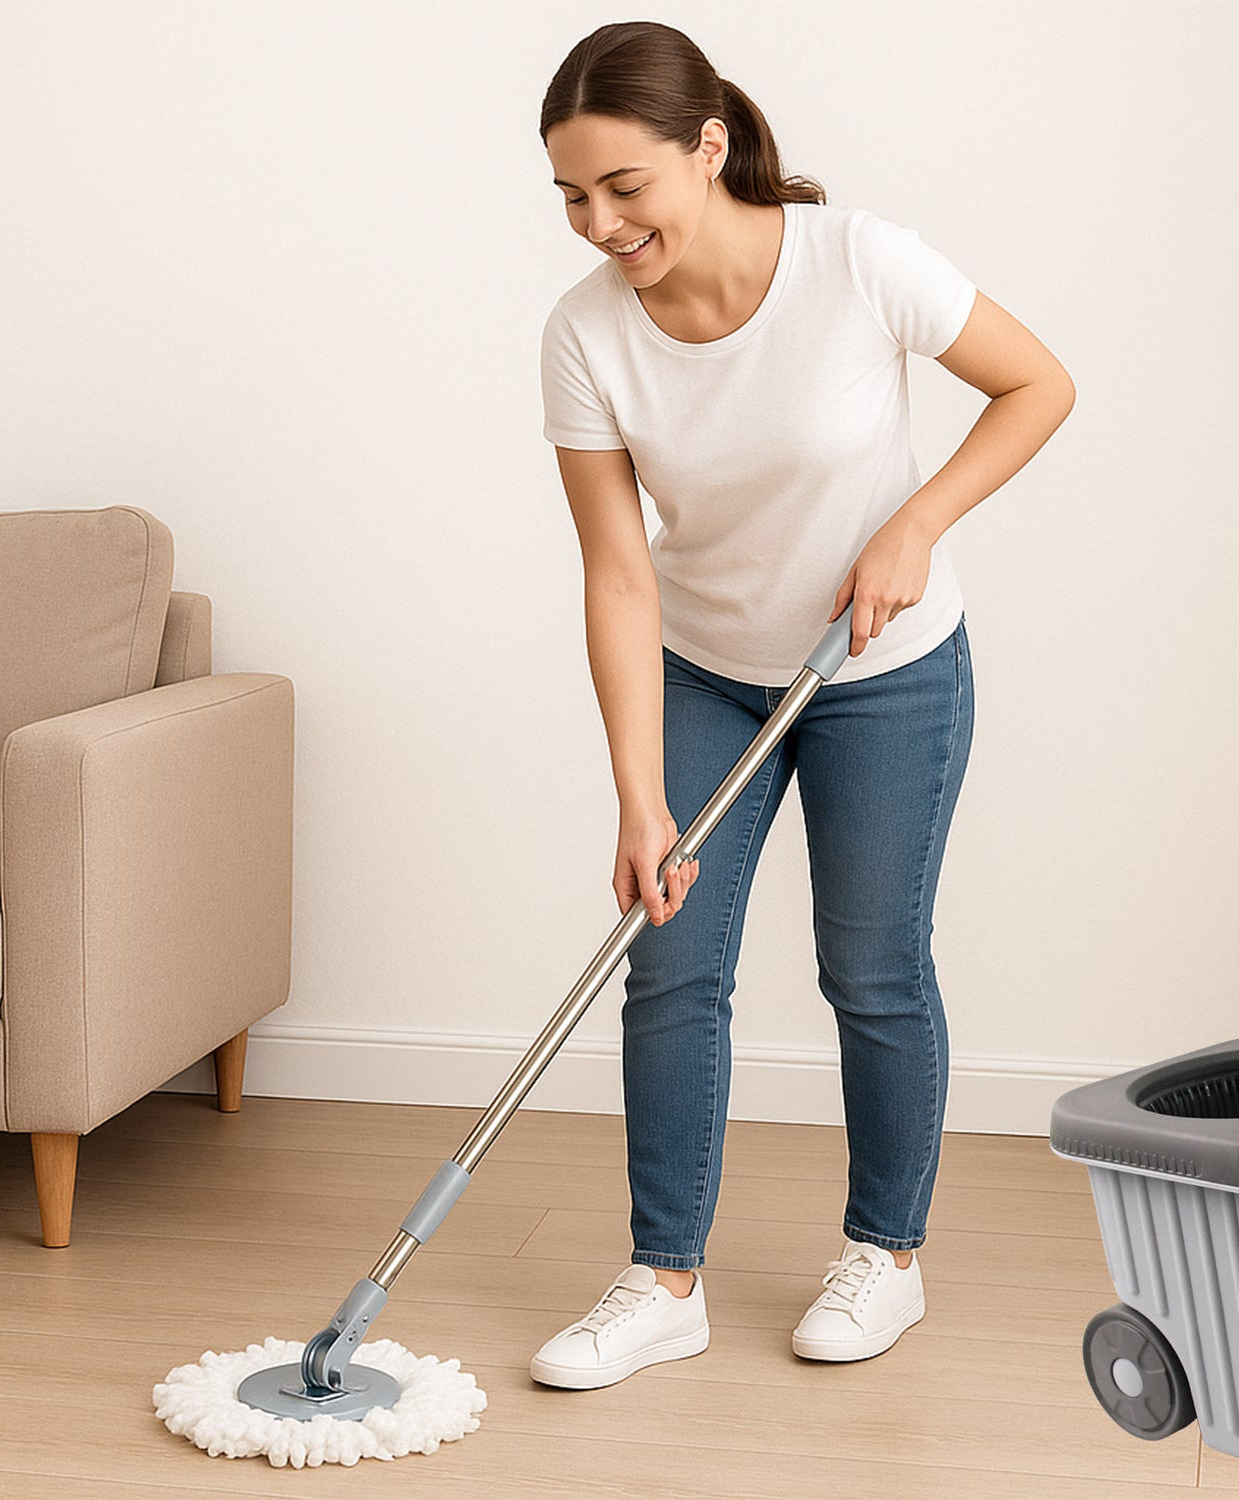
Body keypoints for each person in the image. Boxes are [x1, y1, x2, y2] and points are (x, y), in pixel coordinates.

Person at [530, 21, 1074, 1392]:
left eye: (625, 188)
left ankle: (884, 1258)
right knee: (670, 959)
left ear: (706, 149)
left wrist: (915, 523)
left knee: (870, 968)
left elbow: (1038, 384)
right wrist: (639, 795)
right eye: (572, 197)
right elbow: (616, 577)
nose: (601, 224)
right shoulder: (586, 336)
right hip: (707, 667)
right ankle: (663, 1283)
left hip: (881, 673)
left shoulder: (856, 263)